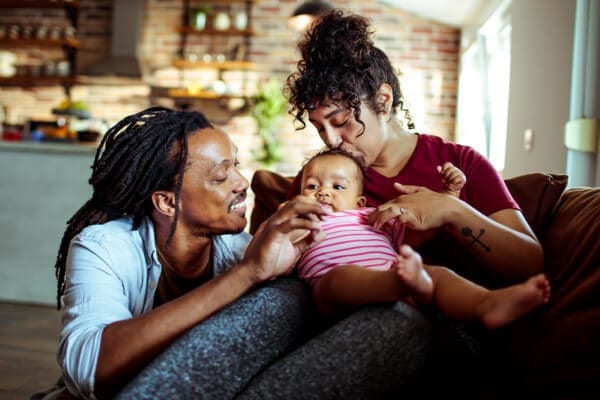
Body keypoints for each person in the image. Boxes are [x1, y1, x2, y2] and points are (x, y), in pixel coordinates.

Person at [32, 106, 439, 400]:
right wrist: (246, 274)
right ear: (167, 202)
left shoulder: (240, 249)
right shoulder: (104, 246)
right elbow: (87, 370)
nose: (242, 183)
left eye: (237, 167)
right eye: (221, 175)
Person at [283, 9, 545, 395]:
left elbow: (529, 262)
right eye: (320, 127)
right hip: (341, 325)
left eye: (340, 122)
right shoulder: (325, 179)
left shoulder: (461, 163)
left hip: (443, 333)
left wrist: (453, 211)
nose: (331, 141)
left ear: (383, 100)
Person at [296, 148, 550, 328]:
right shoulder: (299, 221)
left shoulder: (371, 216)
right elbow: (276, 256)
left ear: (360, 201)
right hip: (336, 290)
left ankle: (487, 303)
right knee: (339, 279)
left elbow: (424, 230)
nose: (323, 193)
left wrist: (448, 198)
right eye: (312, 186)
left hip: (399, 274)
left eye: (338, 187)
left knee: (437, 275)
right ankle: (400, 284)